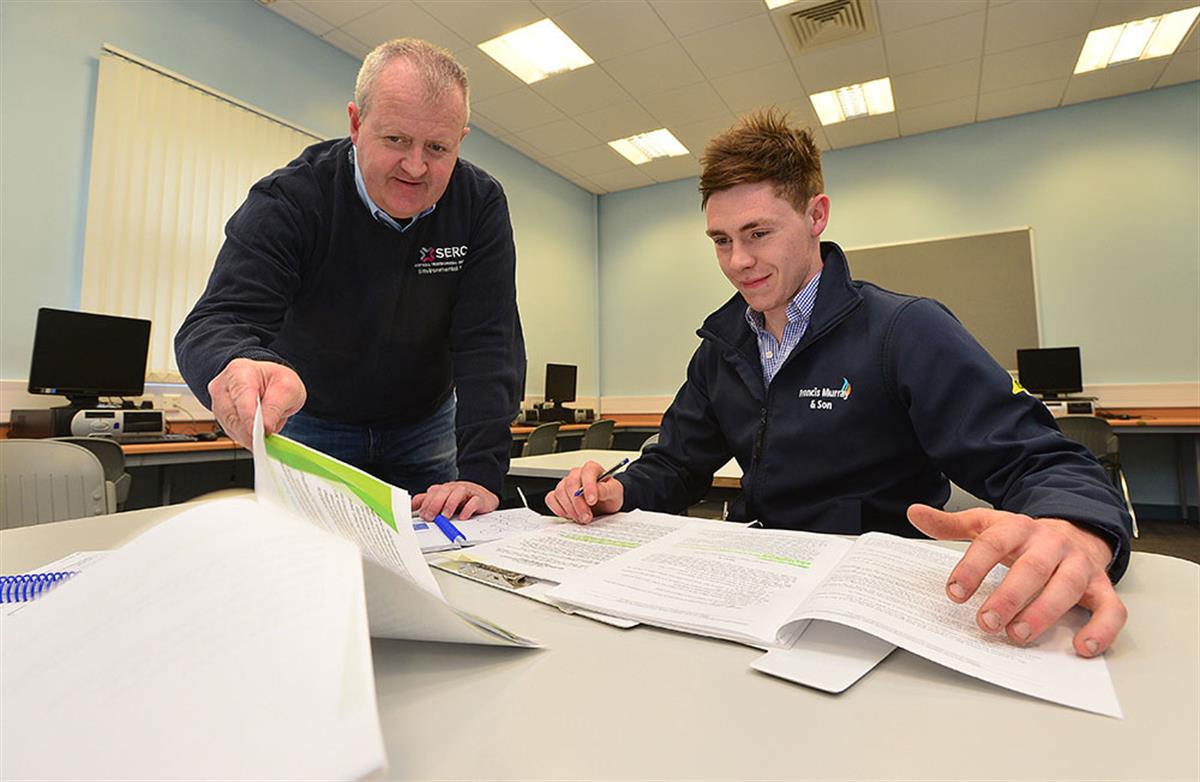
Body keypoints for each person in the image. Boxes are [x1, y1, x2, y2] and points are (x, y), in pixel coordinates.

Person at [546, 109, 1131, 657]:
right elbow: (675, 466)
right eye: (721, 240)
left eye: (758, 233)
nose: (737, 261)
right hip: (754, 584)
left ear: (816, 216)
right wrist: (618, 490)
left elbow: (1040, 460)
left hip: (872, 597)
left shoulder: (904, 329)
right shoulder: (721, 348)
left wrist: (1074, 528)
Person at [176, 38, 525, 521]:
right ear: (357, 124)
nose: (416, 166)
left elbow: (489, 341)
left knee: (439, 554)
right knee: (310, 556)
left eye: (437, 147)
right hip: (313, 424)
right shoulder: (292, 199)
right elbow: (216, 321)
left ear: (460, 141)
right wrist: (237, 363)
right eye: (396, 139)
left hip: (425, 426)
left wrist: (481, 473)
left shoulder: (479, 204)